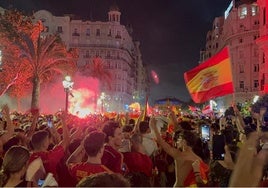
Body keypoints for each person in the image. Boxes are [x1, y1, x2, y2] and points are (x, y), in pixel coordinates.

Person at [150, 117, 209, 187]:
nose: (177, 142)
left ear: (184, 142)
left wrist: (154, 127)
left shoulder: (179, 155)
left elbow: (160, 142)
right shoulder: (198, 159)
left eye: (179, 140)